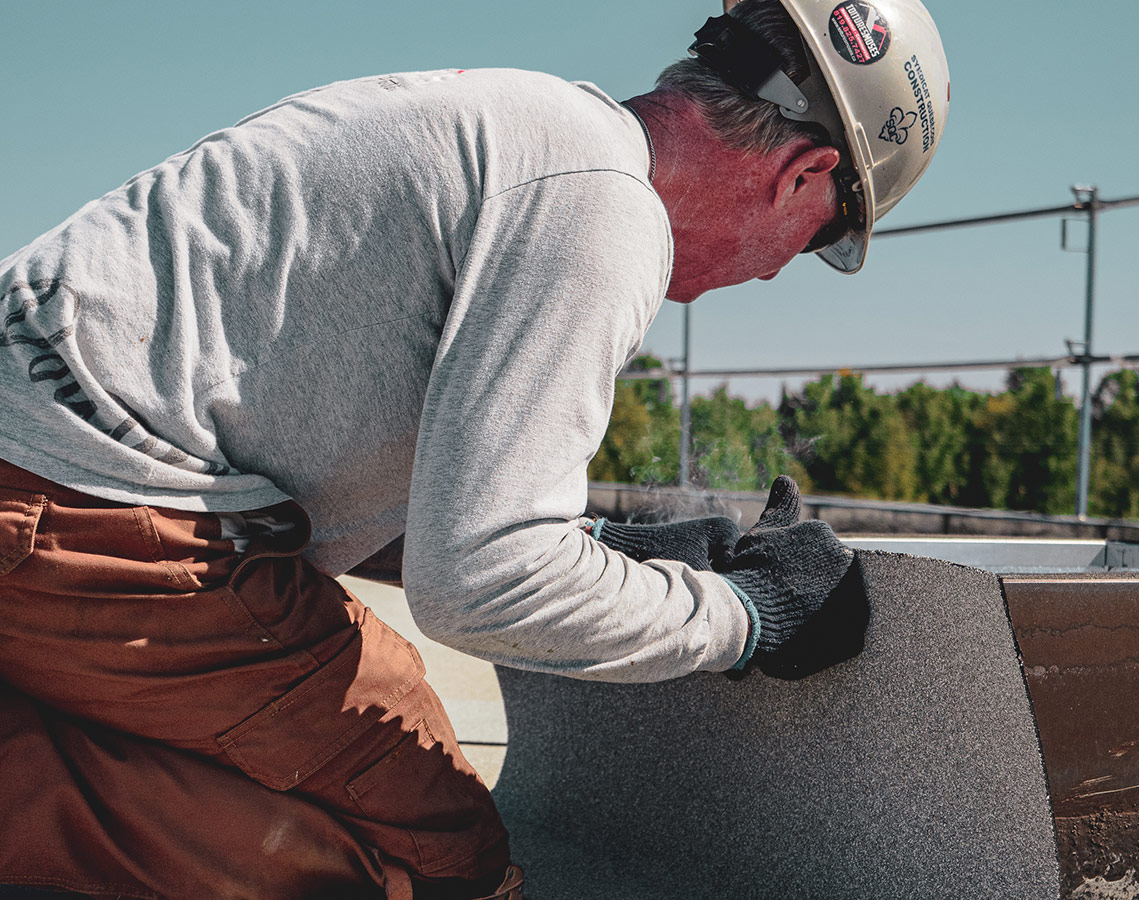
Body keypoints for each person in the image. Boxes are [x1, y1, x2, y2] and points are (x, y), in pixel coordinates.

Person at [0, 0, 948, 897]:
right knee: (430, 854)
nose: (776, 270)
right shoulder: (602, 213)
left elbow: (333, 464)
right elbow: (482, 586)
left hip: (61, 469)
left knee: (335, 725)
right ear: (801, 174)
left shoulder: (529, 130)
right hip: (75, 502)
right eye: (814, 240)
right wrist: (747, 615)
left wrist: (605, 553)